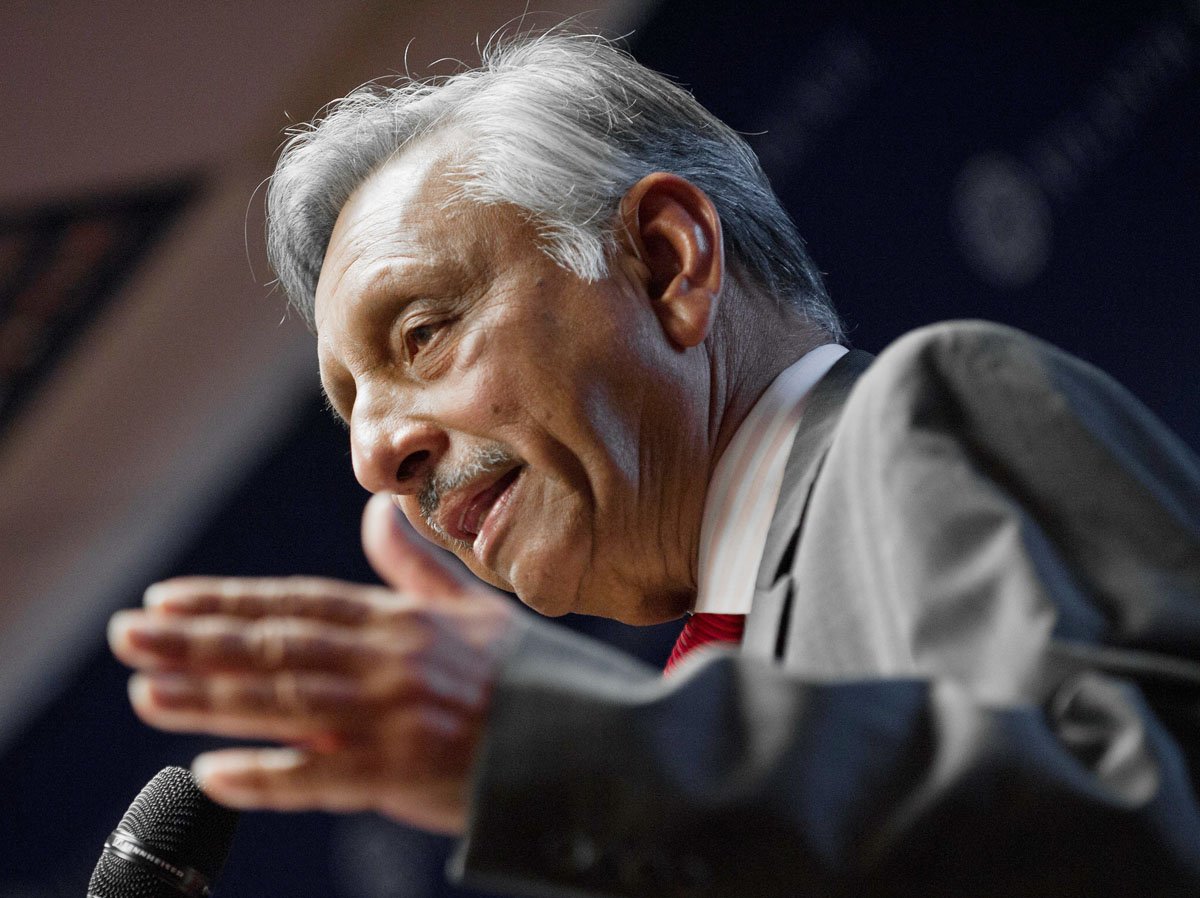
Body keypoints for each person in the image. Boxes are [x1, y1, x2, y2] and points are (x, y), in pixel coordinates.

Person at [107, 31, 1200, 897]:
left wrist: (550, 744)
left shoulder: (918, 417)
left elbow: (1144, 834)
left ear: (668, 261)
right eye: (353, 412)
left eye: (424, 332)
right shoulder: (691, 737)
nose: (378, 455)